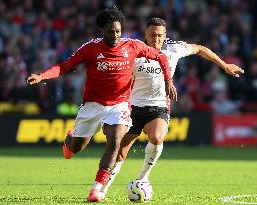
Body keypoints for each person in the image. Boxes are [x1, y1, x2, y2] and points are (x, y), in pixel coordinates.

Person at [26, 9, 177, 203]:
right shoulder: (90, 48)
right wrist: (42, 76)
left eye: (118, 31)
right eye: (110, 31)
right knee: (77, 147)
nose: (115, 36)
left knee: (115, 141)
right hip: (92, 105)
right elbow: (65, 65)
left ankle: (96, 189)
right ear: (102, 30)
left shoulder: (132, 46)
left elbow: (161, 57)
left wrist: (168, 81)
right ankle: (70, 141)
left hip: (120, 104)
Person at [98, 17, 244, 199]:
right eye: (152, 35)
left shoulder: (173, 48)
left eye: (160, 35)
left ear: (165, 35)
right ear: (145, 34)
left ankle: (143, 178)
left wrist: (224, 65)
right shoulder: (133, 49)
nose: (156, 39)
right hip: (132, 107)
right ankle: (101, 191)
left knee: (157, 137)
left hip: (158, 108)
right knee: (119, 153)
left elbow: (200, 49)